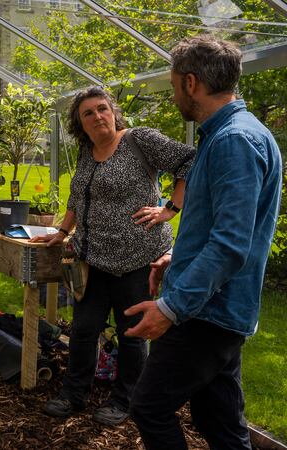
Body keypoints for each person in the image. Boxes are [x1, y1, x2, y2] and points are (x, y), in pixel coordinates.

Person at [125, 35, 282, 449]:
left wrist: (171, 308)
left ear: (191, 82)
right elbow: (220, 225)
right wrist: (177, 257)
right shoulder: (230, 134)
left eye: (174, 84)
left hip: (206, 312)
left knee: (150, 407)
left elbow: (231, 244)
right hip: (217, 308)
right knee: (219, 422)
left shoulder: (233, 141)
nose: (174, 94)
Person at [31, 86, 196, 426]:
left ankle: (125, 400)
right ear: (80, 123)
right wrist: (63, 231)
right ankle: (74, 394)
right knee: (83, 329)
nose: (97, 116)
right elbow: (78, 196)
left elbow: (190, 161)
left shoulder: (139, 140)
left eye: (102, 108)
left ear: (113, 111)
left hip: (136, 258)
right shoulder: (86, 151)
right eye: (88, 113)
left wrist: (170, 208)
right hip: (93, 259)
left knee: (131, 332)